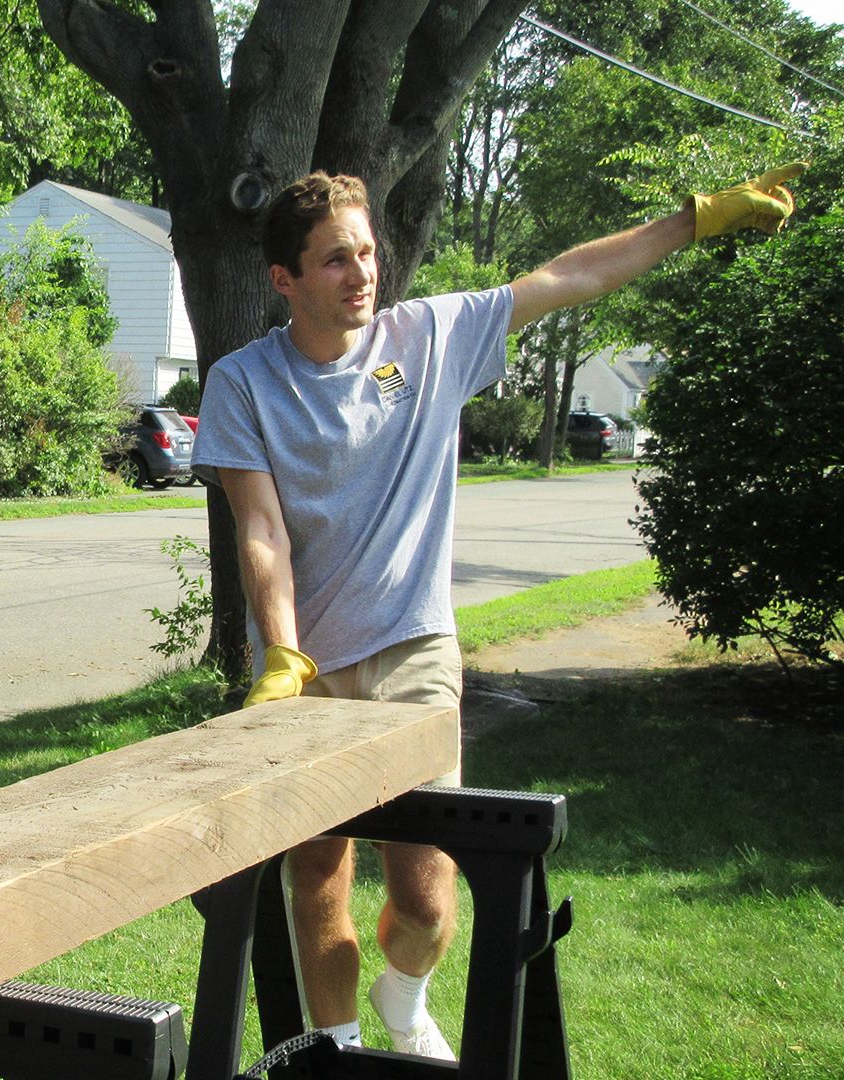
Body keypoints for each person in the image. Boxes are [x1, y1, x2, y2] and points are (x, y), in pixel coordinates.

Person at [190, 164, 803, 1059]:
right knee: (317, 871)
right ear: (285, 280)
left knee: (430, 896)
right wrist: (283, 657)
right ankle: (339, 1050)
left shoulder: (431, 337)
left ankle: (403, 1001)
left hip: (413, 649)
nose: (361, 274)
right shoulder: (245, 382)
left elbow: (569, 277)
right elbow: (261, 530)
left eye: (366, 253)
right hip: (306, 672)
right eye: (333, 262)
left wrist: (694, 222)